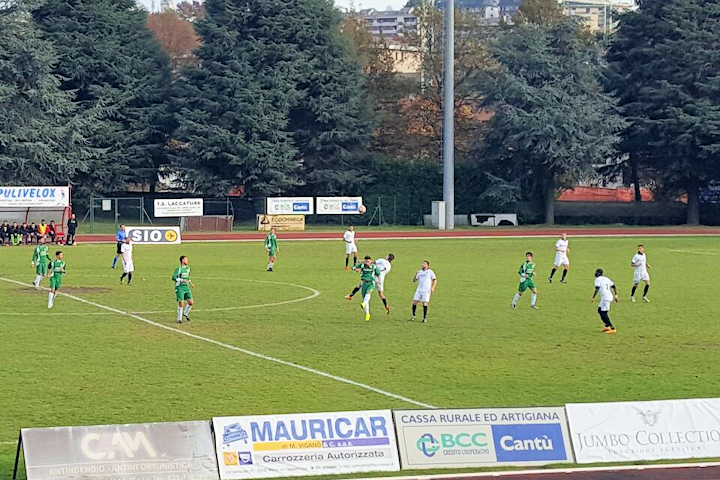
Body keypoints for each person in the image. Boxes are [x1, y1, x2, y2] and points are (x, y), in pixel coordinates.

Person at [352, 255, 381, 322]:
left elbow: (378, 273)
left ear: (371, 261)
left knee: (368, 292)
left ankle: (364, 303)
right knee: (365, 298)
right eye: (366, 261)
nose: (367, 262)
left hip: (371, 283)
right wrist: (355, 269)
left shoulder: (374, 267)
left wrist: (379, 282)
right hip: (363, 283)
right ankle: (367, 314)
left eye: (368, 261)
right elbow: (353, 267)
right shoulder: (362, 265)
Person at [591, 268, 619, 334]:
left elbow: (597, 288)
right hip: (607, 297)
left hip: (606, 298)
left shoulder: (597, 279)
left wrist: (593, 297)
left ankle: (612, 328)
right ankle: (607, 326)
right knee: (600, 310)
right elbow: (614, 286)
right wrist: (616, 295)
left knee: (604, 313)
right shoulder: (606, 278)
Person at [172, 255, 195, 324]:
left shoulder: (188, 268)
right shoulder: (178, 269)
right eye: (186, 259)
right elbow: (173, 278)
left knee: (191, 303)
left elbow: (187, 277)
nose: (187, 260)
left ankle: (185, 313)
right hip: (180, 287)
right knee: (181, 303)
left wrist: (191, 283)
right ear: (182, 261)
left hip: (186, 287)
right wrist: (182, 280)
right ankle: (179, 319)